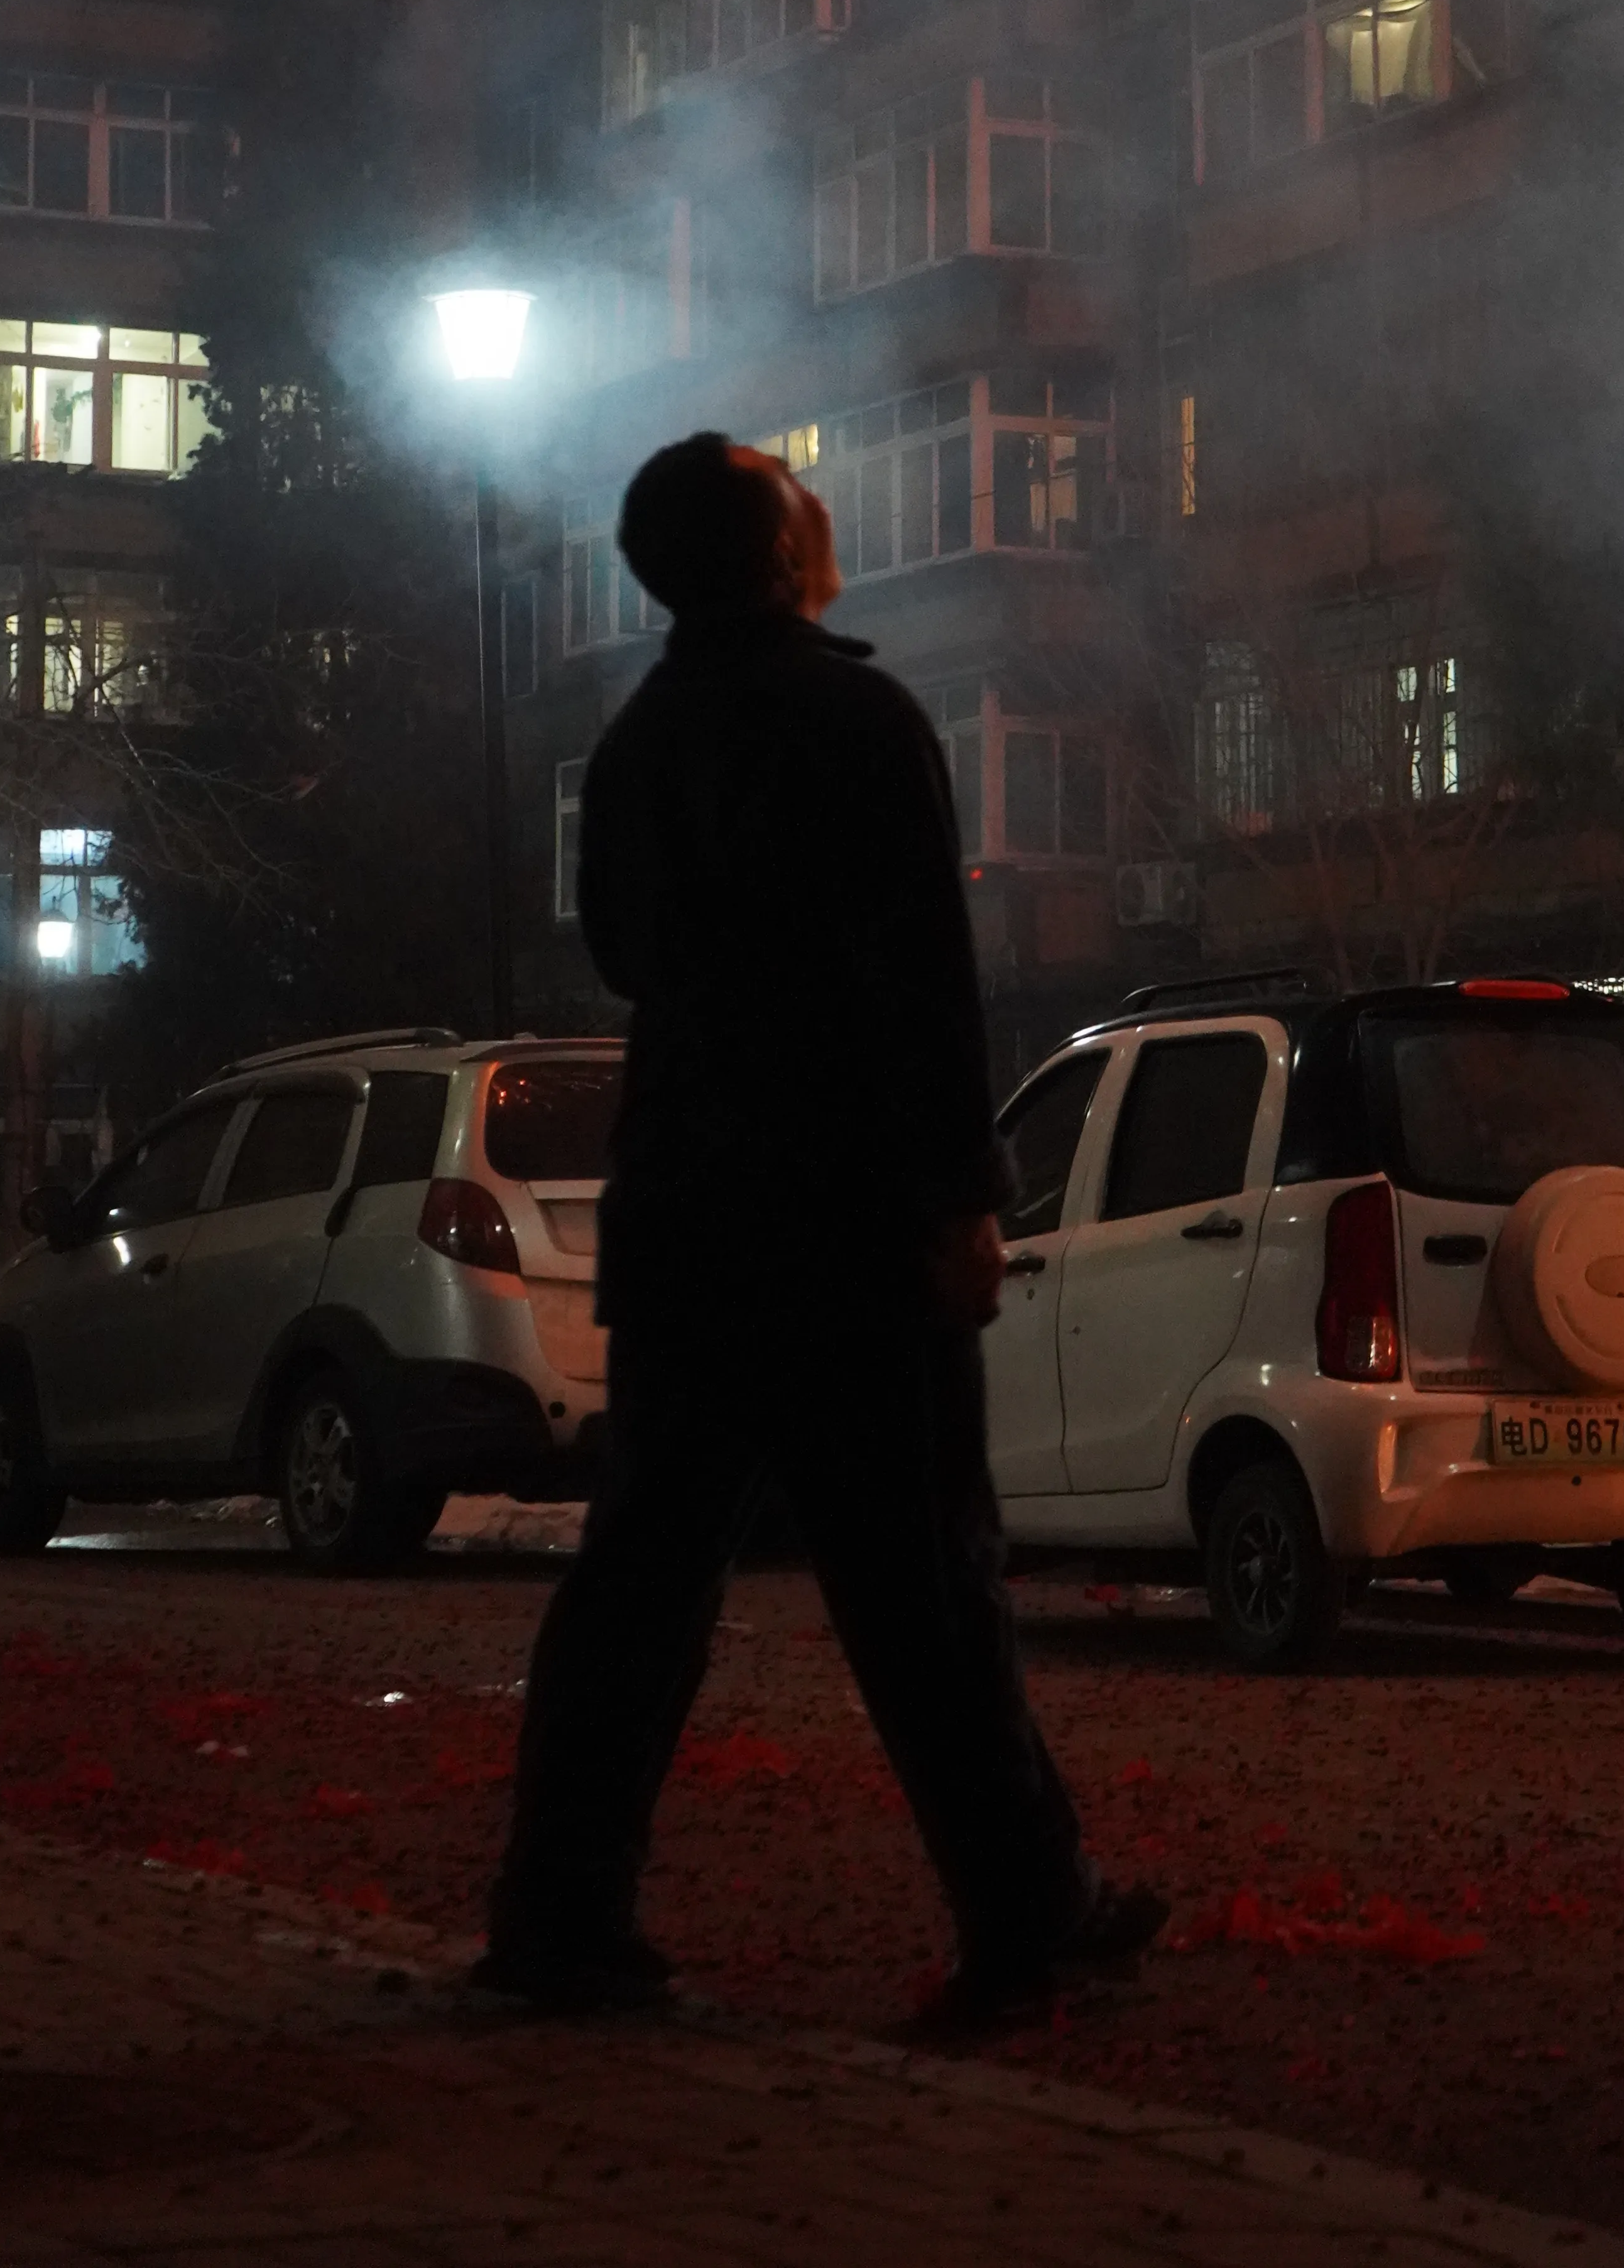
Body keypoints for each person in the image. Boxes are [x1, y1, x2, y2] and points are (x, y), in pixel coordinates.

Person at [477, 428, 1161, 2025]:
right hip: (848, 1225)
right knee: (924, 1585)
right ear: (780, 552)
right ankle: (1020, 1909)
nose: (826, 502)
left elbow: (630, 958)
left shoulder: (641, 737)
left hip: (690, 1215)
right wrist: (955, 1203)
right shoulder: (858, 717)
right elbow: (918, 982)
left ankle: (556, 1915)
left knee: (641, 1583)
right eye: (797, 489)